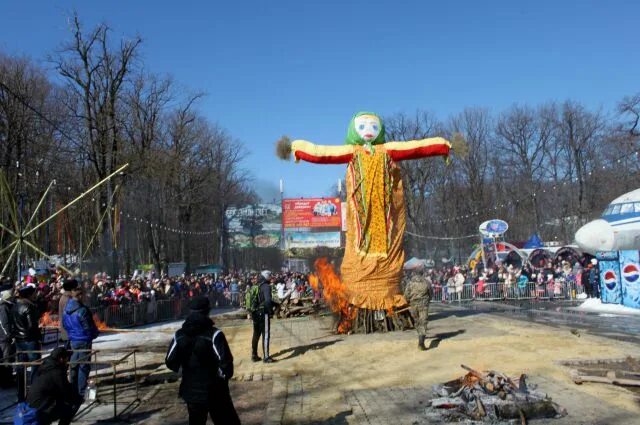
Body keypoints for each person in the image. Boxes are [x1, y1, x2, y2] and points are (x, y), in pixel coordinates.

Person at [165, 296, 240, 425]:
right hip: (215, 391)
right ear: (207, 312)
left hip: (191, 392)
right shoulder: (215, 334)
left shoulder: (179, 335)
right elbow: (227, 365)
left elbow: (170, 360)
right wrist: (219, 376)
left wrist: (186, 370)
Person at [19, 347, 81, 425]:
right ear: (61, 359)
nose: (67, 360)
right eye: (67, 358)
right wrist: (78, 398)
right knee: (69, 407)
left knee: (62, 403)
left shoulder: (46, 366)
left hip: (32, 404)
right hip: (40, 408)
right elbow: (65, 391)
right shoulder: (57, 371)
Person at [62, 285, 99, 400]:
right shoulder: (82, 310)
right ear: (80, 295)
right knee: (83, 366)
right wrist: (94, 334)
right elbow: (88, 327)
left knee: (74, 364)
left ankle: (73, 389)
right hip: (83, 340)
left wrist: (72, 334)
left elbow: (65, 325)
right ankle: (81, 391)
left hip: (73, 339)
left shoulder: (66, 310)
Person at [12, 283, 42, 401]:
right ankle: (34, 393)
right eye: (34, 293)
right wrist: (36, 334)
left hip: (19, 340)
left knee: (21, 367)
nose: (35, 295)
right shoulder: (29, 306)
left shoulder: (15, 306)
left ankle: (20, 393)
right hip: (30, 340)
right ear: (29, 295)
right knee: (35, 366)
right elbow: (31, 326)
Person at [403, 269, 432, 350]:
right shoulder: (426, 282)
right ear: (422, 274)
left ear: (415, 274)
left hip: (413, 305)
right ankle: (421, 343)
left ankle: (420, 336)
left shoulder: (410, 283)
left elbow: (406, 295)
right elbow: (431, 293)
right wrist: (427, 300)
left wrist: (408, 302)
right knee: (423, 323)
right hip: (423, 305)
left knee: (417, 322)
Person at [251, 270, 276, 363]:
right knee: (265, 335)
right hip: (263, 313)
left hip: (255, 314)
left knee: (256, 334)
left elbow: (260, 300)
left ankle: (254, 355)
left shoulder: (257, 285)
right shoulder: (266, 286)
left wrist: (275, 303)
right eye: (270, 276)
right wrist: (271, 311)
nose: (271, 277)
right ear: (267, 276)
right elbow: (268, 301)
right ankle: (266, 357)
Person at [0, 285, 15, 387]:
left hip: (4, 337)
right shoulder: (4, 307)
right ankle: (6, 381)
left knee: (8, 358)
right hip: (4, 338)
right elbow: (4, 323)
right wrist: (9, 335)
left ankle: (7, 378)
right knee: (6, 359)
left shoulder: (7, 306)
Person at [58, 279, 78, 348]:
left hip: (68, 329)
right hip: (70, 330)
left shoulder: (65, 297)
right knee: (70, 351)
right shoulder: (68, 299)